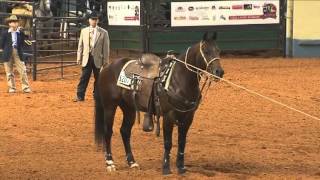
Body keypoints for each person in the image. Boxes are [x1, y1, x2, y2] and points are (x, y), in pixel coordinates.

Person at [74, 12, 110, 102]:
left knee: (98, 78)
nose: (94, 21)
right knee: (84, 78)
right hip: (87, 58)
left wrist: (106, 61)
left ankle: (97, 96)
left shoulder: (104, 33)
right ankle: (80, 95)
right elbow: (80, 46)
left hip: (98, 59)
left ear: (98, 20)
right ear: (89, 20)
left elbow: (106, 48)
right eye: (92, 19)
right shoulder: (84, 31)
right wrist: (79, 57)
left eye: (95, 19)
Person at [0, 15, 31, 93]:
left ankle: (25, 87)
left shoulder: (20, 33)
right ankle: (12, 88)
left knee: (22, 70)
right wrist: (3, 52)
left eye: (16, 22)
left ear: (18, 23)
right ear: (9, 24)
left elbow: (23, 42)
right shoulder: (5, 33)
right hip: (7, 52)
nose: (14, 23)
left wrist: (22, 32)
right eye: (12, 22)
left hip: (18, 52)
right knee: (9, 72)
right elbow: (1, 44)